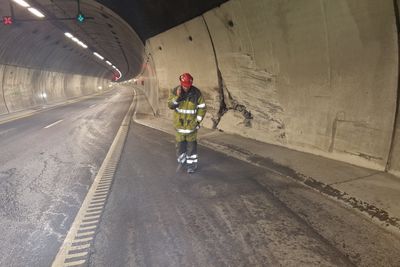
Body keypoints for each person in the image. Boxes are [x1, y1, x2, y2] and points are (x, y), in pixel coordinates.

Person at [168, 73, 206, 173]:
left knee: (191, 148)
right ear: (181, 83)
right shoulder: (176, 91)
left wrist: (197, 121)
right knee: (180, 147)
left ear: (191, 84)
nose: (186, 88)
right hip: (180, 127)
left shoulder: (196, 93)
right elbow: (170, 105)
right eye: (184, 86)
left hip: (191, 128)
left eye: (188, 86)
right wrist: (178, 97)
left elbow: (202, 108)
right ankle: (182, 161)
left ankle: (191, 166)